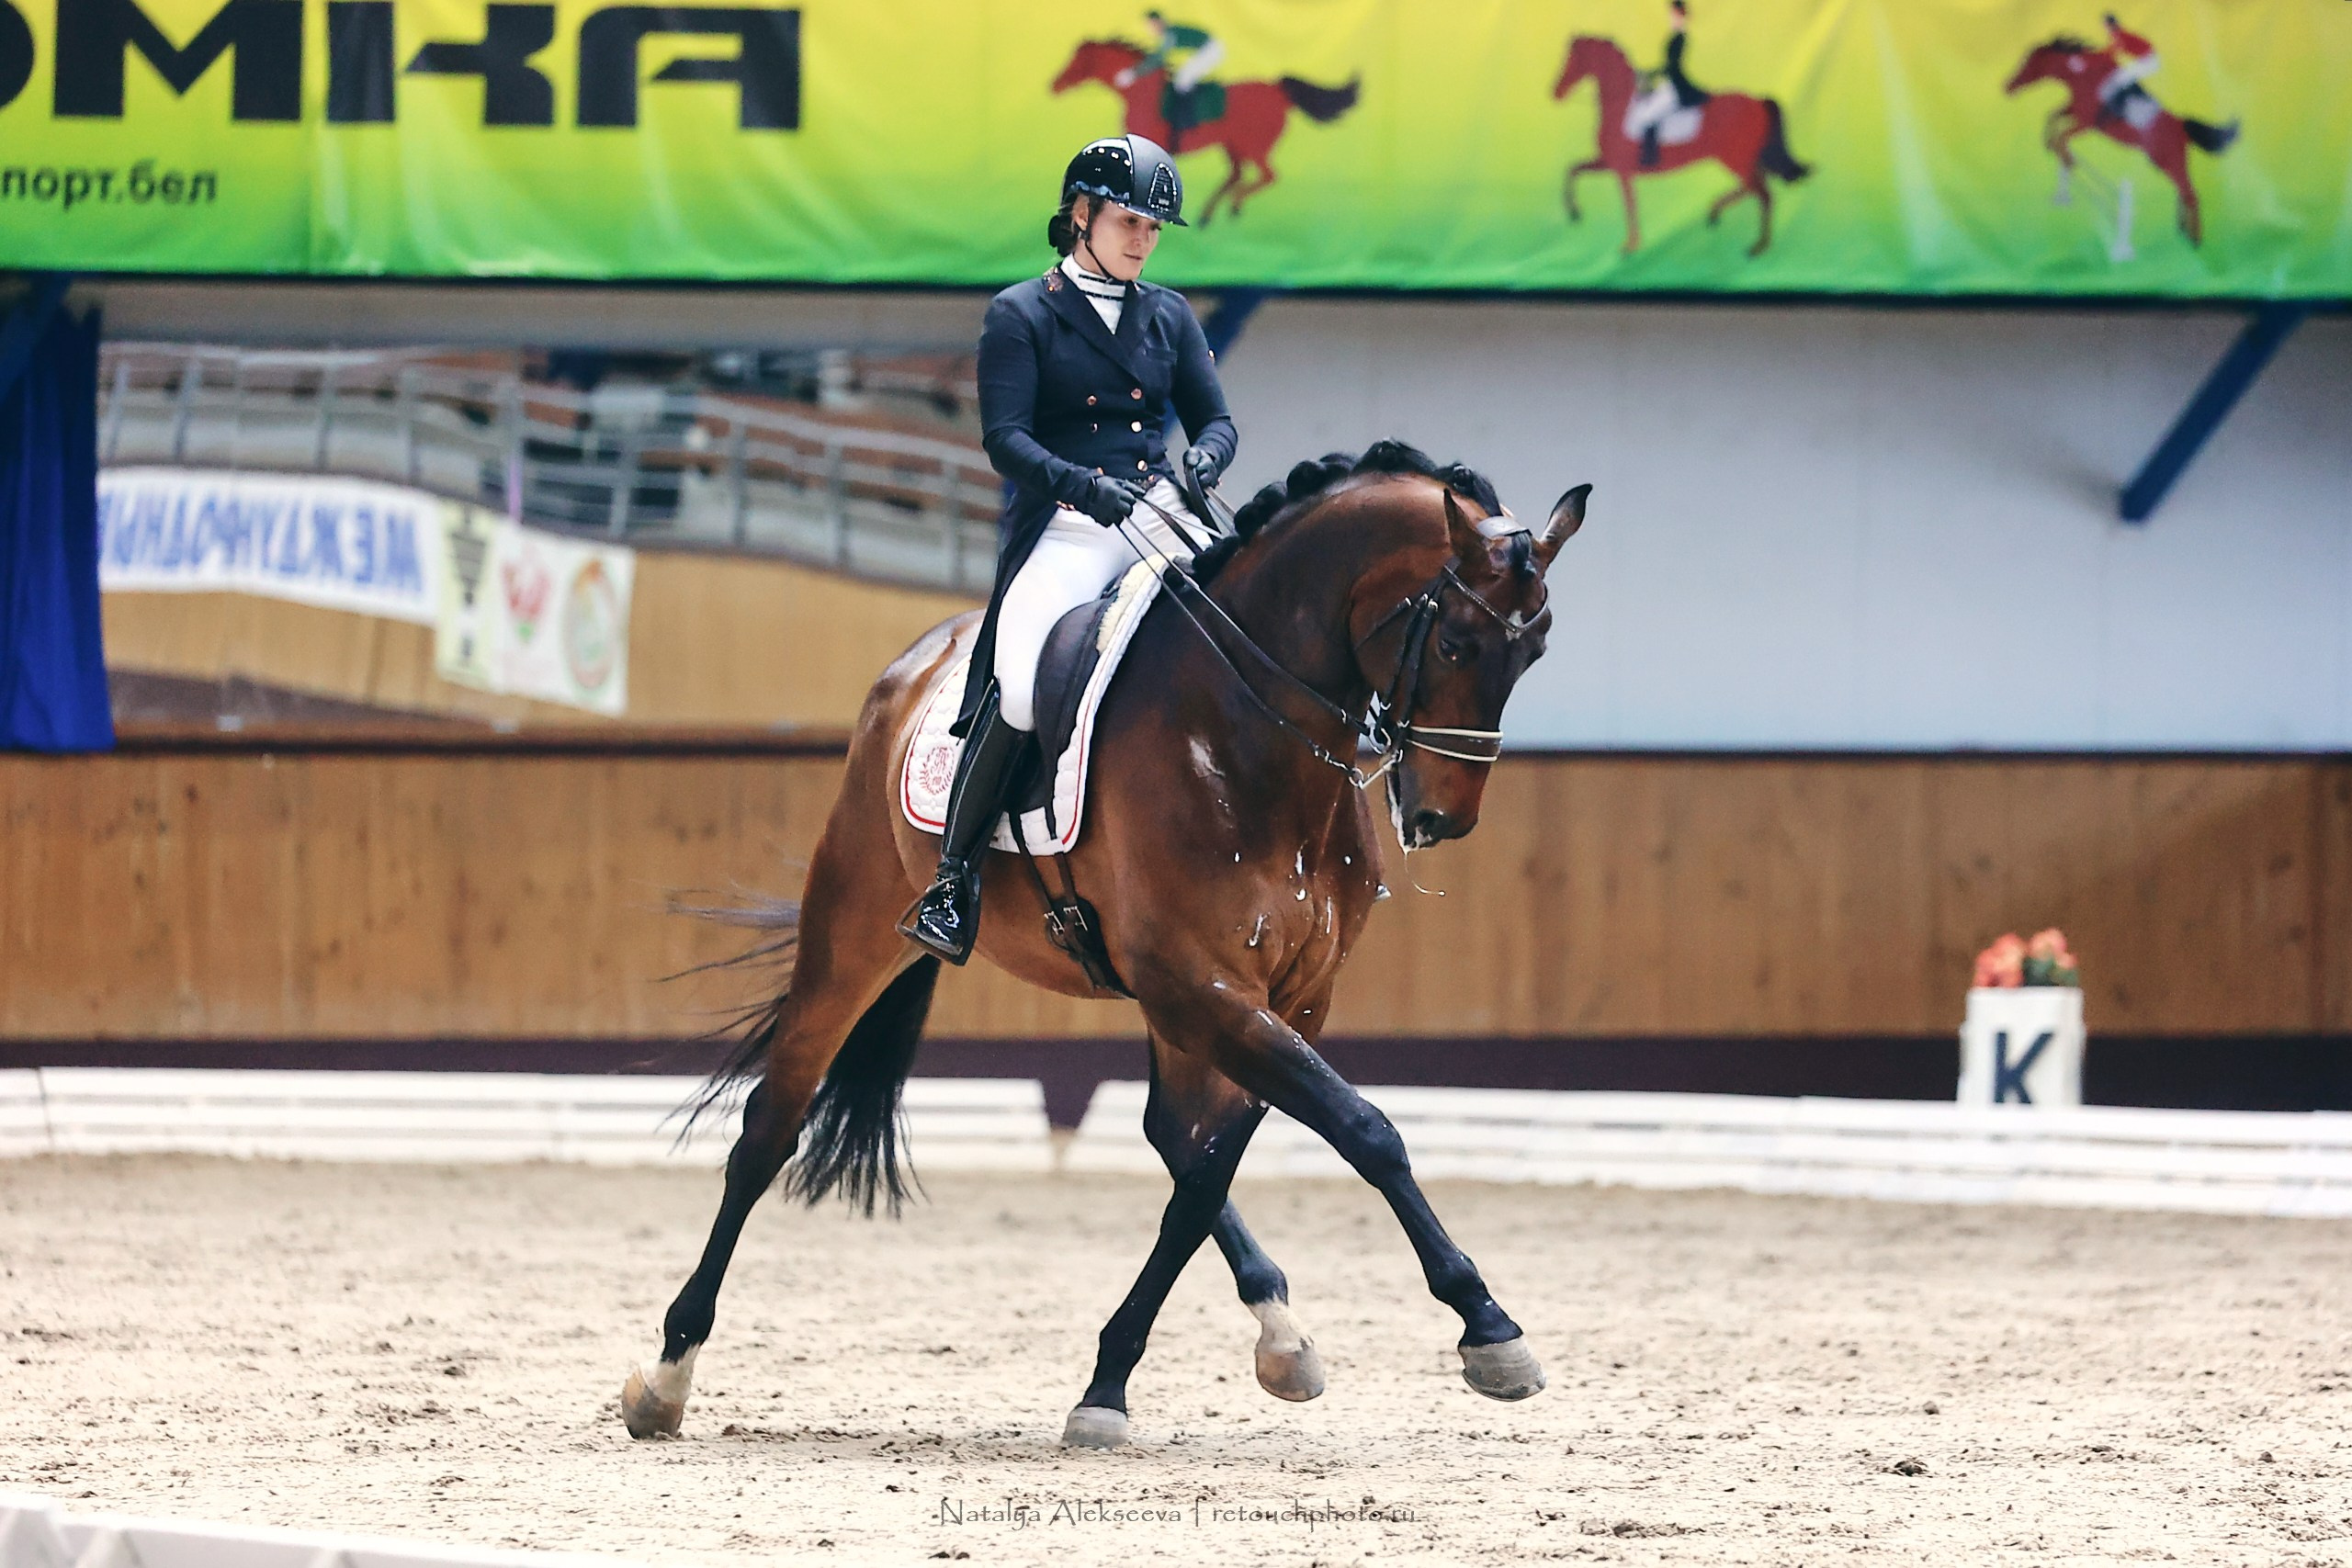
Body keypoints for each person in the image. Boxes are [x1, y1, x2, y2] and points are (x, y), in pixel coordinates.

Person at [898, 134, 1237, 965]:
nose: (1143, 241)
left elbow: (1217, 420)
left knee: (1243, 635)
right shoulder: (1021, 313)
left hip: (1160, 513)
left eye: (1155, 230)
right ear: (1080, 215)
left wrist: (1205, 459)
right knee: (1017, 684)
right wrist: (1084, 487)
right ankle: (954, 881)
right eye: (1128, 222)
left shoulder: (1170, 315)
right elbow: (1004, 438)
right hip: (1070, 525)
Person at [1114, 11, 1226, 150]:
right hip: (1206, 48)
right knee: (1181, 78)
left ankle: (1187, 119)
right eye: (1150, 26)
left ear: (1159, 22)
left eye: (1153, 24)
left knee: (1183, 80)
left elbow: (1157, 58)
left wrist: (1133, 73)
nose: (1152, 28)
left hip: (1211, 49)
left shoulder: (1169, 34)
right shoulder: (1168, 34)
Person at [1627, 0, 1709, 168]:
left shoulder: (1681, 36)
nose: (1672, 18)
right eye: (1672, 15)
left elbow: (1673, 66)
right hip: (1669, 84)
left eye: (1676, 15)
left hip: (1676, 87)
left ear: (1683, 16)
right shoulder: (1675, 35)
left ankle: (1650, 157)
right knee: (1641, 105)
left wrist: (1651, 74)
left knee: (1647, 115)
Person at [2096, 13, 2160, 130]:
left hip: (2149, 60)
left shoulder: (2117, 34)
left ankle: (2144, 103)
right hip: (2147, 59)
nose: (2104, 27)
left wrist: (2097, 57)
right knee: (2121, 77)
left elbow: (2112, 51)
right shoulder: (2117, 33)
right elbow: (2112, 50)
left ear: (2108, 24)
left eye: (2105, 24)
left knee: (2120, 79)